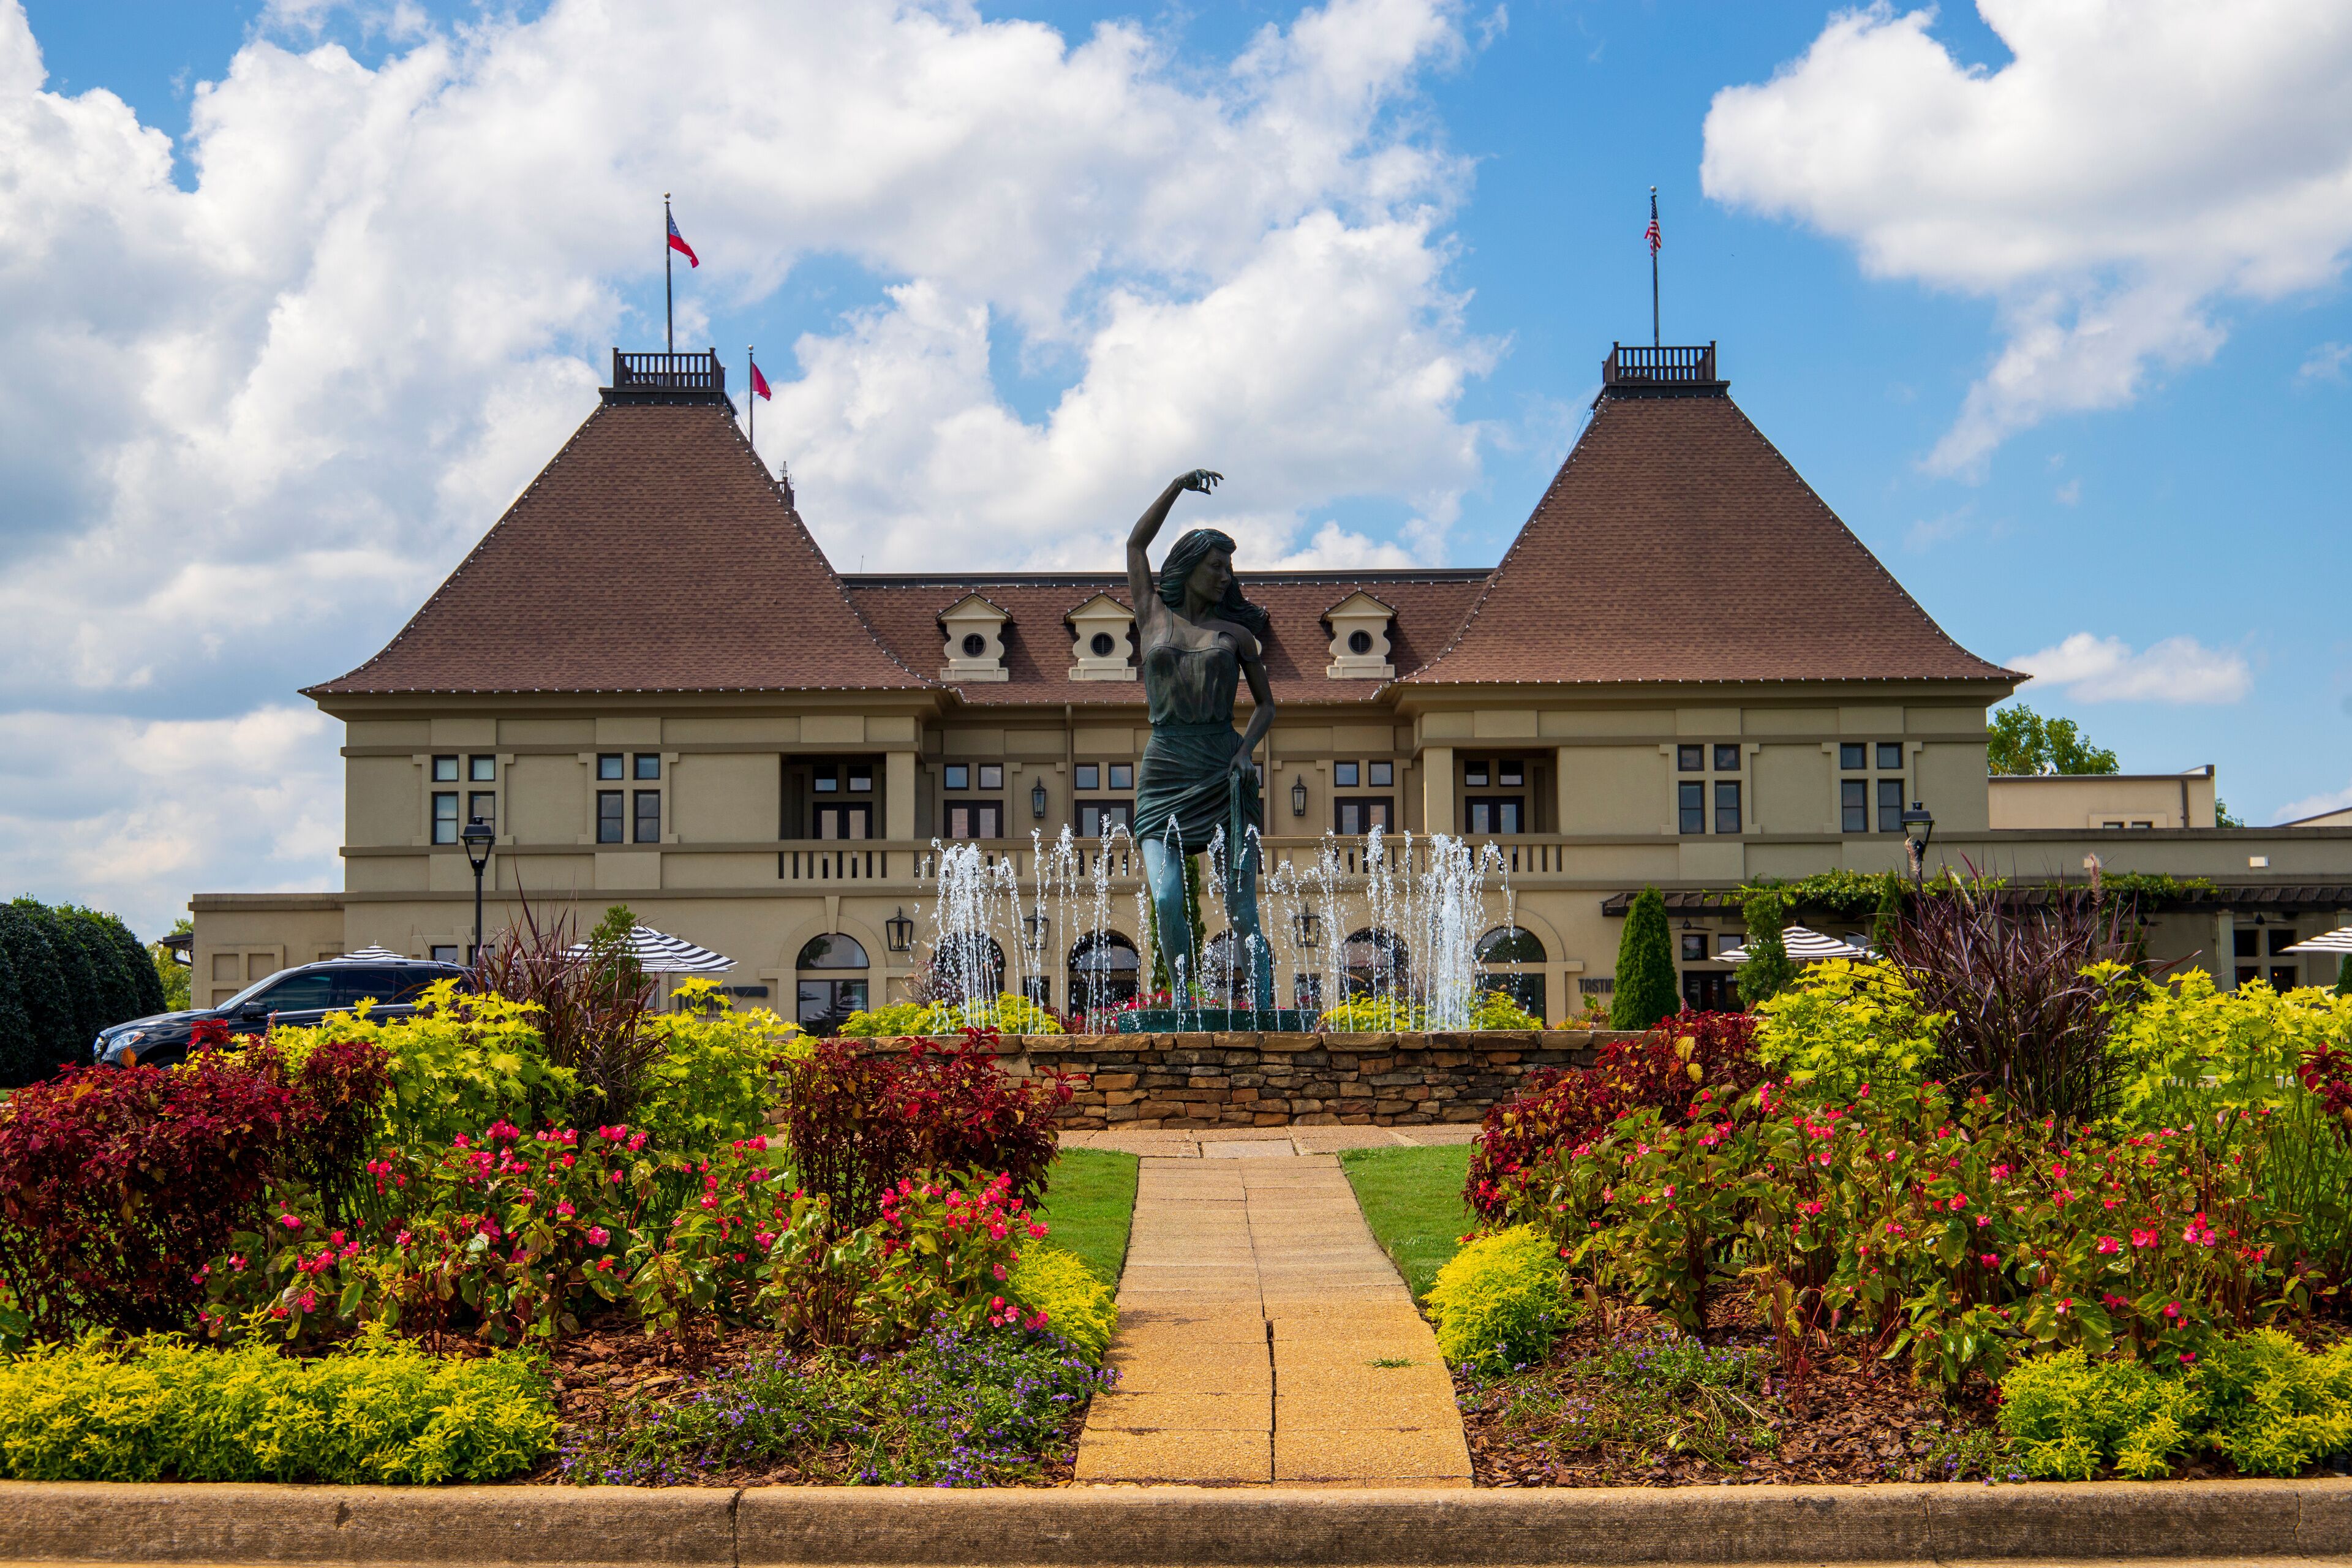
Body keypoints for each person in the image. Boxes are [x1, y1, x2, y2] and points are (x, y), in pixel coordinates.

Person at [1125, 469, 1278, 1009]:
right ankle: (1184, 1000)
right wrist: (1175, 486)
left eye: (1229, 569)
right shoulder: (1151, 616)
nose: (1225, 576)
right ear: (1190, 567)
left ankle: (1263, 1005)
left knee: (1242, 909)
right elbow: (1136, 543)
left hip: (1221, 766)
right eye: (1217, 566)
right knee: (1167, 895)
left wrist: (1244, 753)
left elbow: (1266, 705)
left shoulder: (1235, 635)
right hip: (1165, 765)